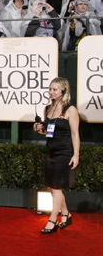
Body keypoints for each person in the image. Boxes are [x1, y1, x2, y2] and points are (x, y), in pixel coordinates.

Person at [33, 77, 80, 234]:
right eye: (50, 89)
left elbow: (74, 133)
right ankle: (66, 213)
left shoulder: (70, 110)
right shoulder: (48, 108)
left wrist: (76, 154)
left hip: (64, 152)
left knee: (56, 187)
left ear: (63, 91)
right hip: (50, 151)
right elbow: (48, 132)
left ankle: (53, 219)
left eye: (55, 90)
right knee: (50, 186)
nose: (51, 92)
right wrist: (39, 129)